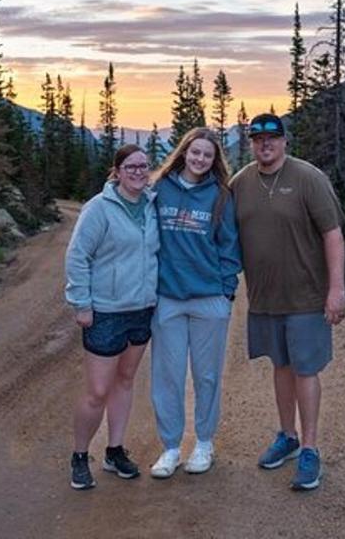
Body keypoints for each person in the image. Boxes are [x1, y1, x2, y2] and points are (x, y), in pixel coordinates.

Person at [229, 113, 345, 491]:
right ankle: (287, 436)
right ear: (251, 143)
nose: (265, 144)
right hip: (264, 298)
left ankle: (310, 449)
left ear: (284, 142)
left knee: (305, 369)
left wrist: (336, 289)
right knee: (281, 366)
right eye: (257, 138)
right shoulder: (241, 183)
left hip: (307, 296)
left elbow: (332, 235)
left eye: (272, 138)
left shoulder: (308, 178)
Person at [147, 127, 242, 479]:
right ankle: (170, 448)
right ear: (183, 152)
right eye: (195, 152)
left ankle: (204, 443)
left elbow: (230, 247)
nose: (200, 159)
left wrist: (226, 291)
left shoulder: (220, 195)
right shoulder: (160, 188)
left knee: (206, 375)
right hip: (167, 299)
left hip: (209, 300)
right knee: (167, 376)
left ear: (214, 160)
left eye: (208, 155)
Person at [64, 144, 159, 491]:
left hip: (142, 310)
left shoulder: (151, 207)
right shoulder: (98, 209)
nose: (138, 171)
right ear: (117, 171)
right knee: (97, 391)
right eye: (131, 166)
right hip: (105, 311)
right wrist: (81, 303)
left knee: (125, 381)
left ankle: (114, 450)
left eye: (143, 166)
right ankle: (79, 455)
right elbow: (77, 257)